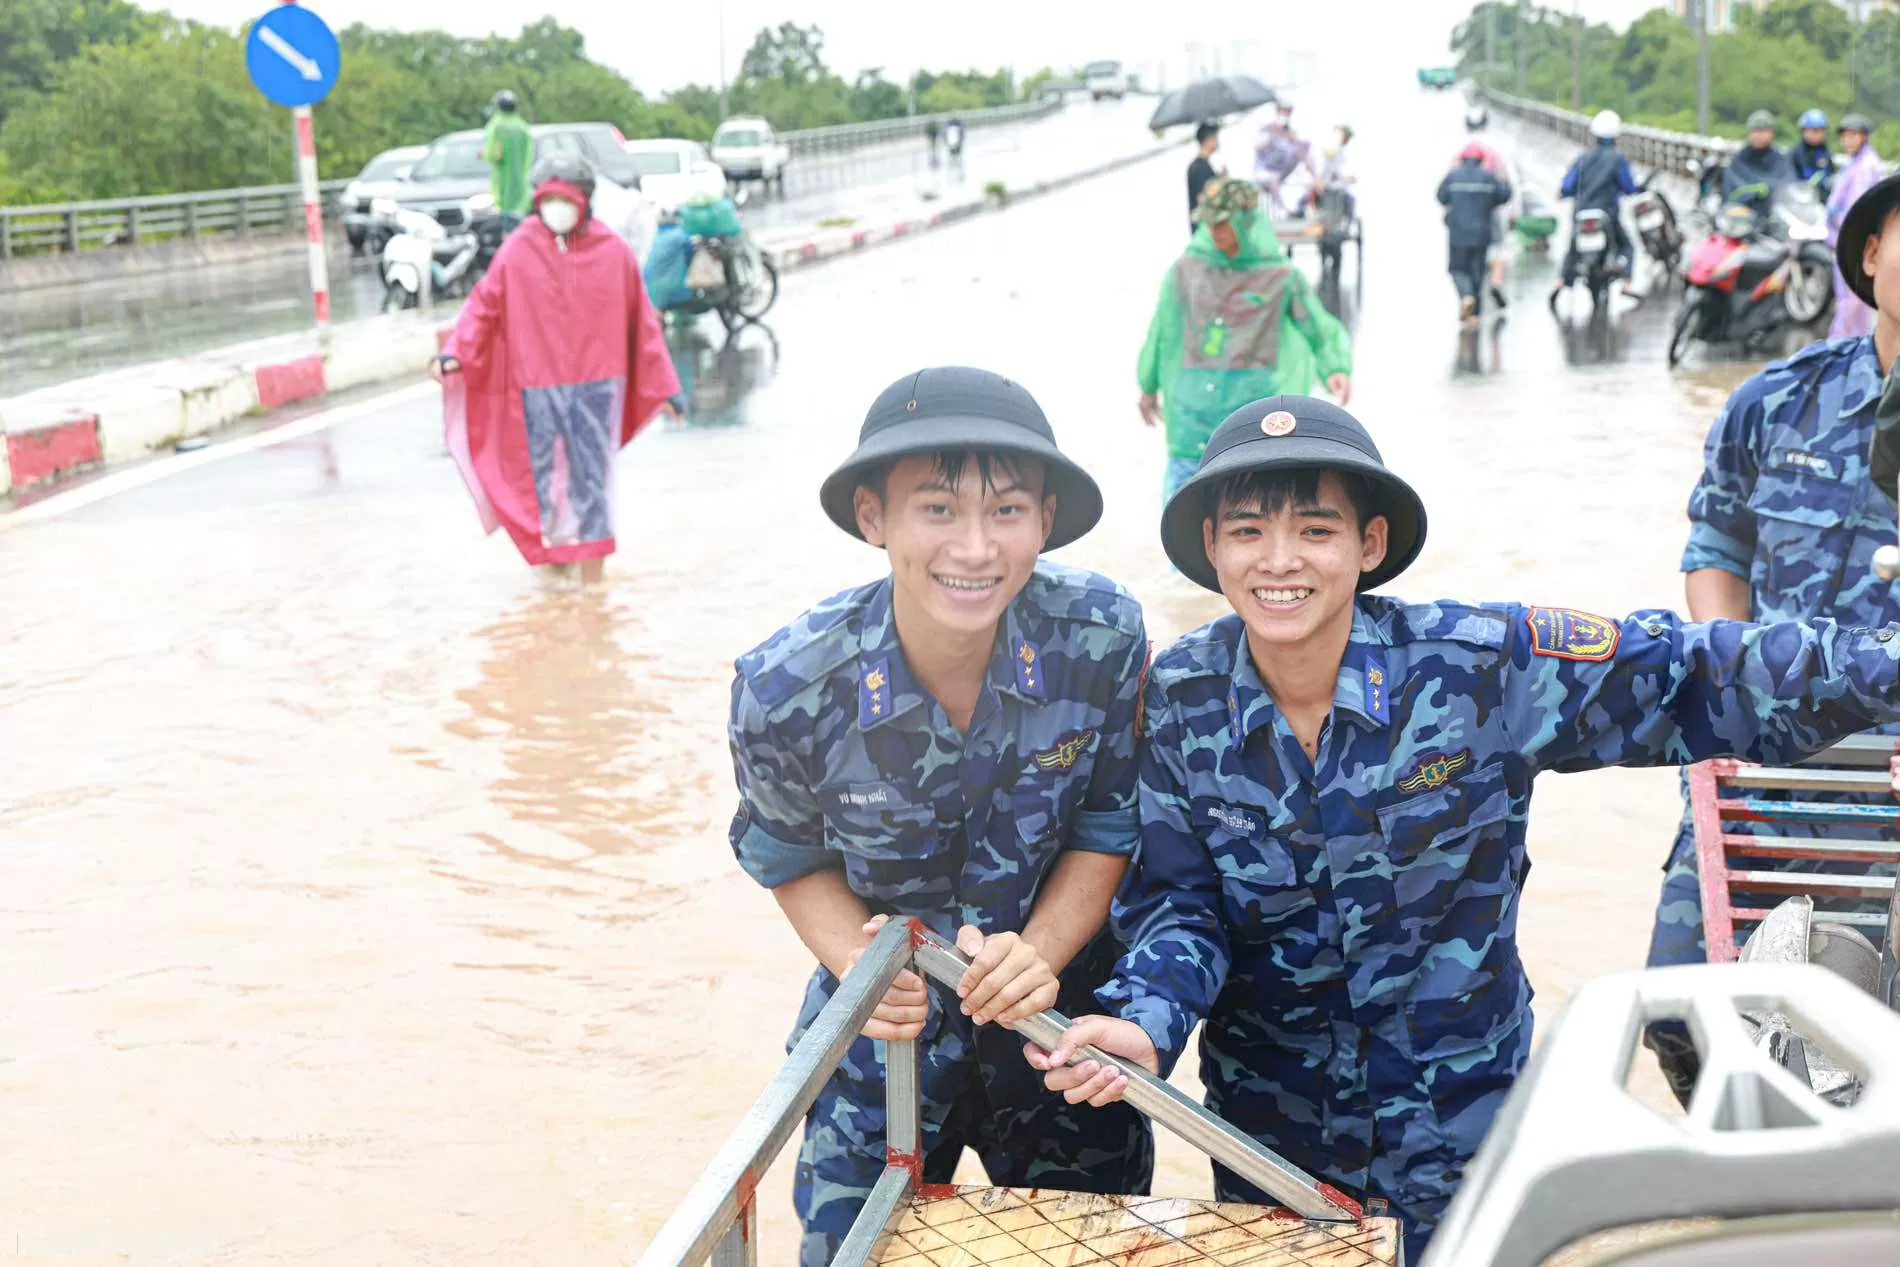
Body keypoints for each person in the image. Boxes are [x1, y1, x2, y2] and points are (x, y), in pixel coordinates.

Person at [1017, 393, 1900, 1264]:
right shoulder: (1180, 698)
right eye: (1248, 530)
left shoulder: (1480, 665)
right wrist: (1146, 1021)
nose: (1280, 560)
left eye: (1316, 529)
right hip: (1275, 1147)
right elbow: (1180, 904)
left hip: (1464, 1131)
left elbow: (1694, 671)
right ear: (1212, 546)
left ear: (1370, 543)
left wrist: (1888, 668)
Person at [727, 366, 1156, 1266]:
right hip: (883, 1049)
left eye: (1007, 510)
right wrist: (858, 965)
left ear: (1045, 518)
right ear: (873, 516)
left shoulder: (1102, 638)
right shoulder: (786, 688)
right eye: (937, 508)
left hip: (1056, 1041)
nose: (975, 546)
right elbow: (788, 854)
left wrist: (1039, 953)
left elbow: (1107, 826)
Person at [1643, 168, 1900, 1102]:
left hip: (1889, 783)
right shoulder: (1779, 400)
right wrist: (1733, 669)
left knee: (1868, 1040)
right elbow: (1717, 546)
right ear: (1870, 254)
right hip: (1761, 765)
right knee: (1680, 1010)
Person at [432, 154, 681, 583]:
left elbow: (642, 323)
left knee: (592, 480)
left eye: (565, 199)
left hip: (599, 385)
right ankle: (555, 569)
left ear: (584, 201)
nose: (556, 208)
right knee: (541, 481)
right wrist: (456, 350)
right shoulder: (519, 249)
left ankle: (593, 582)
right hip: (535, 385)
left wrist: (666, 386)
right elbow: (484, 304)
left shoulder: (613, 252)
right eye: (548, 200)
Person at [1137, 178, 1352, 505]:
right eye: (1211, 224)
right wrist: (1148, 383)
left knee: (1250, 503)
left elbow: (1316, 325)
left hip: (1252, 406)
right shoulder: (1186, 271)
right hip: (1192, 409)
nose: (1216, 232)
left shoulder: (1278, 276)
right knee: (1185, 506)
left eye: (1224, 224)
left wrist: (1334, 367)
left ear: (1247, 223)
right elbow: (1163, 329)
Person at [1550, 109, 1639, 310]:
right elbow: (1629, 187)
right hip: (1607, 215)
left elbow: (1567, 187)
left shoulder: (1582, 158)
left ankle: (1561, 282)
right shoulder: (1618, 159)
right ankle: (1626, 283)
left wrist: (1563, 193)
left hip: (1581, 214)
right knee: (1627, 246)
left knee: (1572, 250)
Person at [1438, 142, 1513, 329]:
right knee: (1477, 273)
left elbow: (1441, 197)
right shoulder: (1489, 177)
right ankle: (1476, 315)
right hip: (1481, 234)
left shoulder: (1453, 177)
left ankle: (1466, 296)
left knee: (1457, 269)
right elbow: (1504, 196)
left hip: (1458, 234)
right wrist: (1503, 177)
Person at [1828, 114, 1884, 340]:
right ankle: (1857, 344)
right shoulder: (1853, 163)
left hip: (1853, 240)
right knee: (1855, 302)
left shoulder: (1866, 166)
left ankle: (1837, 344)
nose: (1847, 141)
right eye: (1845, 136)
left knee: (1850, 299)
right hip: (1843, 237)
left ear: (1864, 137)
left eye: (1853, 135)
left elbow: (1856, 208)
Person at [1462, 104, 1523, 311]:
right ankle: (1496, 281)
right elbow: (1511, 182)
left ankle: (1469, 293)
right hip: (1493, 209)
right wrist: (1514, 211)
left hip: (1466, 214)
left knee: (1468, 251)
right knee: (1500, 247)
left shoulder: (1462, 147)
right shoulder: (1498, 146)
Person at [1253, 103, 1320, 219]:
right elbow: (1258, 148)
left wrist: (1295, 140)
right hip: (1264, 172)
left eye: (1288, 112)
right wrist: (1273, 135)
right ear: (1278, 111)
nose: (1286, 114)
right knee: (1272, 178)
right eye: (1284, 111)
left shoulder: (1289, 131)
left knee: (1301, 152)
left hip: (1281, 171)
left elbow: (1303, 149)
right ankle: (1284, 211)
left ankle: (1315, 181)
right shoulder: (1267, 129)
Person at [483, 89, 534, 231]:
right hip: (521, 184)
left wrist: (485, 155)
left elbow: (495, 155)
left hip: (503, 185)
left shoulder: (497, 126)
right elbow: (529, 154)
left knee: (508, 228)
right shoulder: (522, 127)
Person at [1724, 110, 1796, 207]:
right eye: (1755, 131)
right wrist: (1754, 192)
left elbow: (1788, 182)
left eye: (1764, 131)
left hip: (1774, 209)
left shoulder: (1781, 159)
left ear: (1772, 133)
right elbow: (1733, 188)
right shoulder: (1739, 159)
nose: (1759, 135)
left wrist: (1770, 189)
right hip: (1745, 210)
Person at [1187, 121, 1223, 231]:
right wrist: (1221, 182)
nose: (1218, 141)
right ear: (1208, 140)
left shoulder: (1205, 165)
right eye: (1215, 137)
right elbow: (1203, 197)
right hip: (1205, 229)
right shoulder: (1197, 168)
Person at [1792, 107, 1836, 196]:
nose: (1817, 134)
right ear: (1803, 131)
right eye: (1814, 130)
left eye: (1821, 130)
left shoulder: (1825, 151)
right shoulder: (1795, 153)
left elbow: (1830, 172)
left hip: (1823, 197)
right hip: (1801, 196)